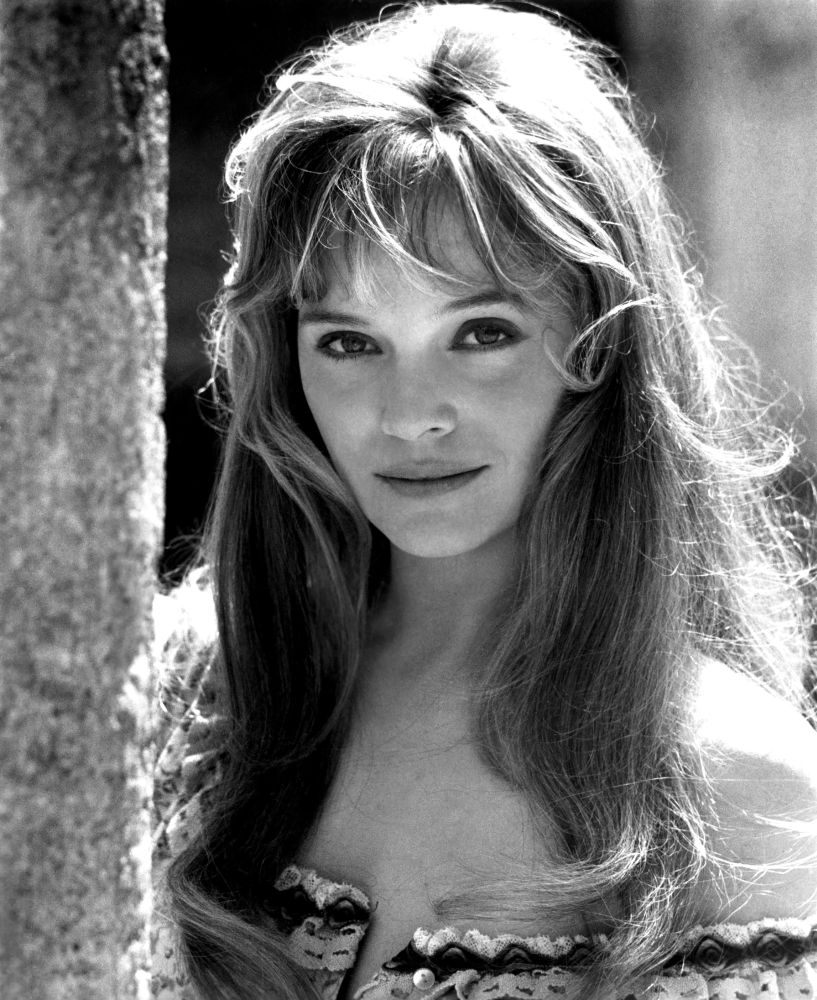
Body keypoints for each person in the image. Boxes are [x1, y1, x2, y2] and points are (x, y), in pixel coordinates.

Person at [150, 4, 817, 1000]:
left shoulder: (740, 794)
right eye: (348, 342)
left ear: (601, 341)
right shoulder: (181, 696)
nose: (408, 414)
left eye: (481, 333)